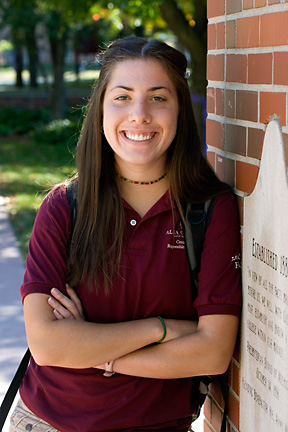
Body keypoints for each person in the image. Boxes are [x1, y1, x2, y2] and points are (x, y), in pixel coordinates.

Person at [10, 36, 241, 432]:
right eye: (122, 97)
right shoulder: (64, 207)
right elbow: (47, 347)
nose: (139, 115)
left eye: (157, 97)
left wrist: (95, 351)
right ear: (100, 108)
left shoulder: (208, 212)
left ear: (180, 111)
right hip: (47, 421)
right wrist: (162, 329)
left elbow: (213, 353)